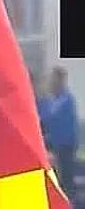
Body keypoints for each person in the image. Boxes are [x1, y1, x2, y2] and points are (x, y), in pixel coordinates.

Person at [39, 66, 79, 199]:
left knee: (66, 180)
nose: (52, 83)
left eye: (55, 79)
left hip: (64, 147)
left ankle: (70, 204)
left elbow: (66, 126)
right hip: (48, 147)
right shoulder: (46, 102)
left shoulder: (67, 101)